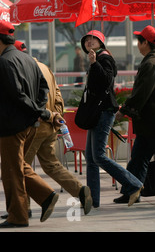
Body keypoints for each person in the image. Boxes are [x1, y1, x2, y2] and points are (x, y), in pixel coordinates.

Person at [8, 41, 93, 218]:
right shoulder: (45, 67)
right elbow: (57, 94)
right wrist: (56, 116)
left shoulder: (20, 68)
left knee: (20, 168)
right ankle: (80, 190)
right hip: (50, 123)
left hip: (34, 124)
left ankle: (24, 208)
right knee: (51, 165)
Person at [0, 21, 61, 228]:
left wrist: (39, 111)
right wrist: (39, 110)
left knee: (11, 171)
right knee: (17, 166)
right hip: (29, 124)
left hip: (12, 125)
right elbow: (43, 87)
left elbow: (17, 95)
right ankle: (45, 196)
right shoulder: (27, 58)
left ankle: (18, 216)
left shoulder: (5, 62)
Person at [80, 30, 143, 208]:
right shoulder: (97, 58)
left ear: (101, 41)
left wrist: (94, 64)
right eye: (86, 40)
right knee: (91, 158)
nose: (89, 42)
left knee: (98, 156)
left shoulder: (104, 58)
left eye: (93, 39)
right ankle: (93, 200)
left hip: (103, 112)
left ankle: (134, 183)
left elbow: (107, 80)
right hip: (96, 112)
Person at [113, 26, 155, 204]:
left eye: (139, 41)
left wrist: (123, 111)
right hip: (152, 123)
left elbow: (141, 94)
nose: (137, 45)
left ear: (145, 43)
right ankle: (131, 190)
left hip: (154, 123)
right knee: (138, 160)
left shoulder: (150, 64)